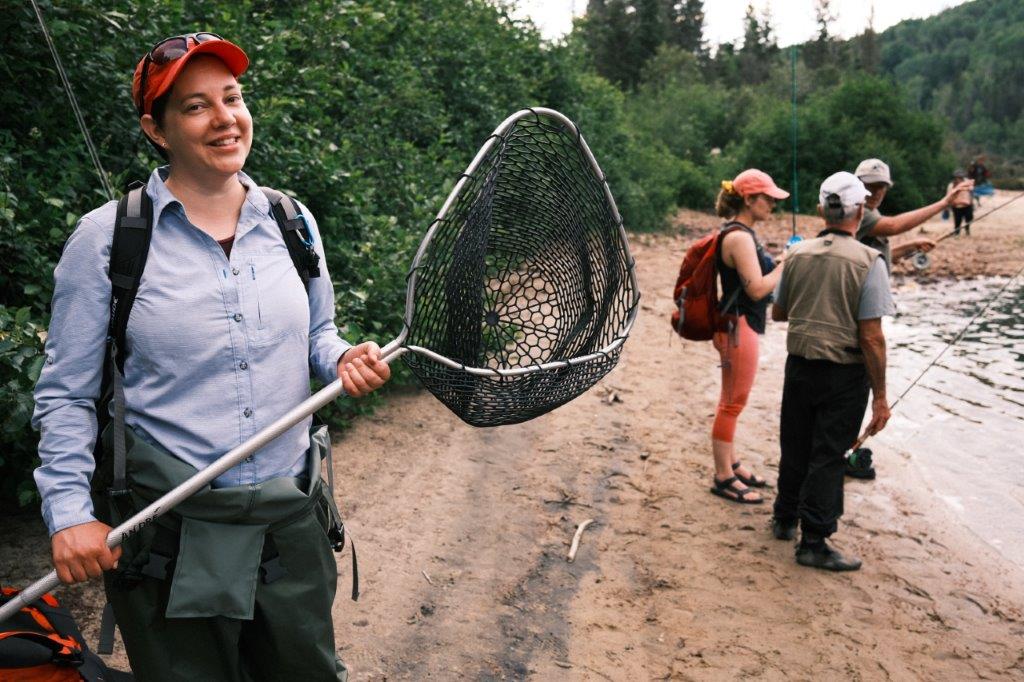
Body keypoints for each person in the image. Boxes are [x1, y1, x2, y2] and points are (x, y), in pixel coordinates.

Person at [31, 33, 389, 680]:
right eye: (196, 106)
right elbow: (66, 395)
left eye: (233, 97)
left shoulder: (292, 221)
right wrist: (69, 514)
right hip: (168, 534)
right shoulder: (105, 241)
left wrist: (341, 358)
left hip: (288, 525)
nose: (225, 117)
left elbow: (318, 333)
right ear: (156, 128)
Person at [770, 172, 895, 571]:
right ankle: (814, 541)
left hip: (799, 366)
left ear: (822, 209)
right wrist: (880, 397)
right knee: (828, 454)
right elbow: (872, 337)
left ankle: (784, 518)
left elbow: (779, 312)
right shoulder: (869, 262)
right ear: (860, 210)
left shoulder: (798, 254)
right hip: (843, 374)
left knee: (795, 443)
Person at [707, 169, 788, 505]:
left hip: (736, 326)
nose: (772, 204)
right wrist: (788, 264)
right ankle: (723, 477)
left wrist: (780, 260)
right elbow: (756, 290)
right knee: (732, 403)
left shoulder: (742, 233)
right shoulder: (739, 238)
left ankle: (732, 464)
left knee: (730, 399)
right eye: (767, 198)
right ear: (750, 199)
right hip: (739, 327)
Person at [853, 158, 973, 271]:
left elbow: (879, 256)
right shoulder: (855, 209)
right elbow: (892, 226)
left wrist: (910, 247)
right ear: (856, 184)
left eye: (882, 187)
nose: (877, 192)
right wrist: (945, 203)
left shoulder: (871, 209)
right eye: (871, 186)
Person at [948, 169, 975, 236]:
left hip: (967, 205)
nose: (958, 179)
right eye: (957, 177)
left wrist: (971, 201)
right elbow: (948, 196)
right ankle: (957, 233)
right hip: (957, 206)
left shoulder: (967, 183)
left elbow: (971, 191)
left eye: (960, 177)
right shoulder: (951, 185)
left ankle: (967, 229)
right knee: (957, 220)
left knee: (969, 218)